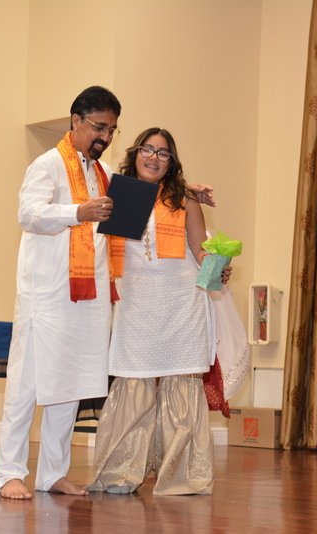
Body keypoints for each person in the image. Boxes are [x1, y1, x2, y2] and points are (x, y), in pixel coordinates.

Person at [0, 89, 215, 500]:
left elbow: (147, 188)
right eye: (99, 127)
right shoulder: (47, 164)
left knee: (71, 386)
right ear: (76, 121)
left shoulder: (103, 174)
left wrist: (188, 189)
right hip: (47, 295)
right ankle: (9, 473)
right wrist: (77, 212)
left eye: (112, 130)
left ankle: (52, 474)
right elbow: (28, 213)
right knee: (26, 384)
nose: (105, 137)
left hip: (89, 297)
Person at [86, 127, 219, 495]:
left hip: (182, 302)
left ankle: (184, 475)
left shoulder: (185, 200)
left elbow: (200, 250)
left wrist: (218, 265)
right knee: (133, 379)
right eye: (148, 149)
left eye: (163, 153)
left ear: (170, 162)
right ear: (136, 153)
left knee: (182, 382)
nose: (154, 158)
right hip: (136, 303)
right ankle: (119, 471)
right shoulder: (117, 193)